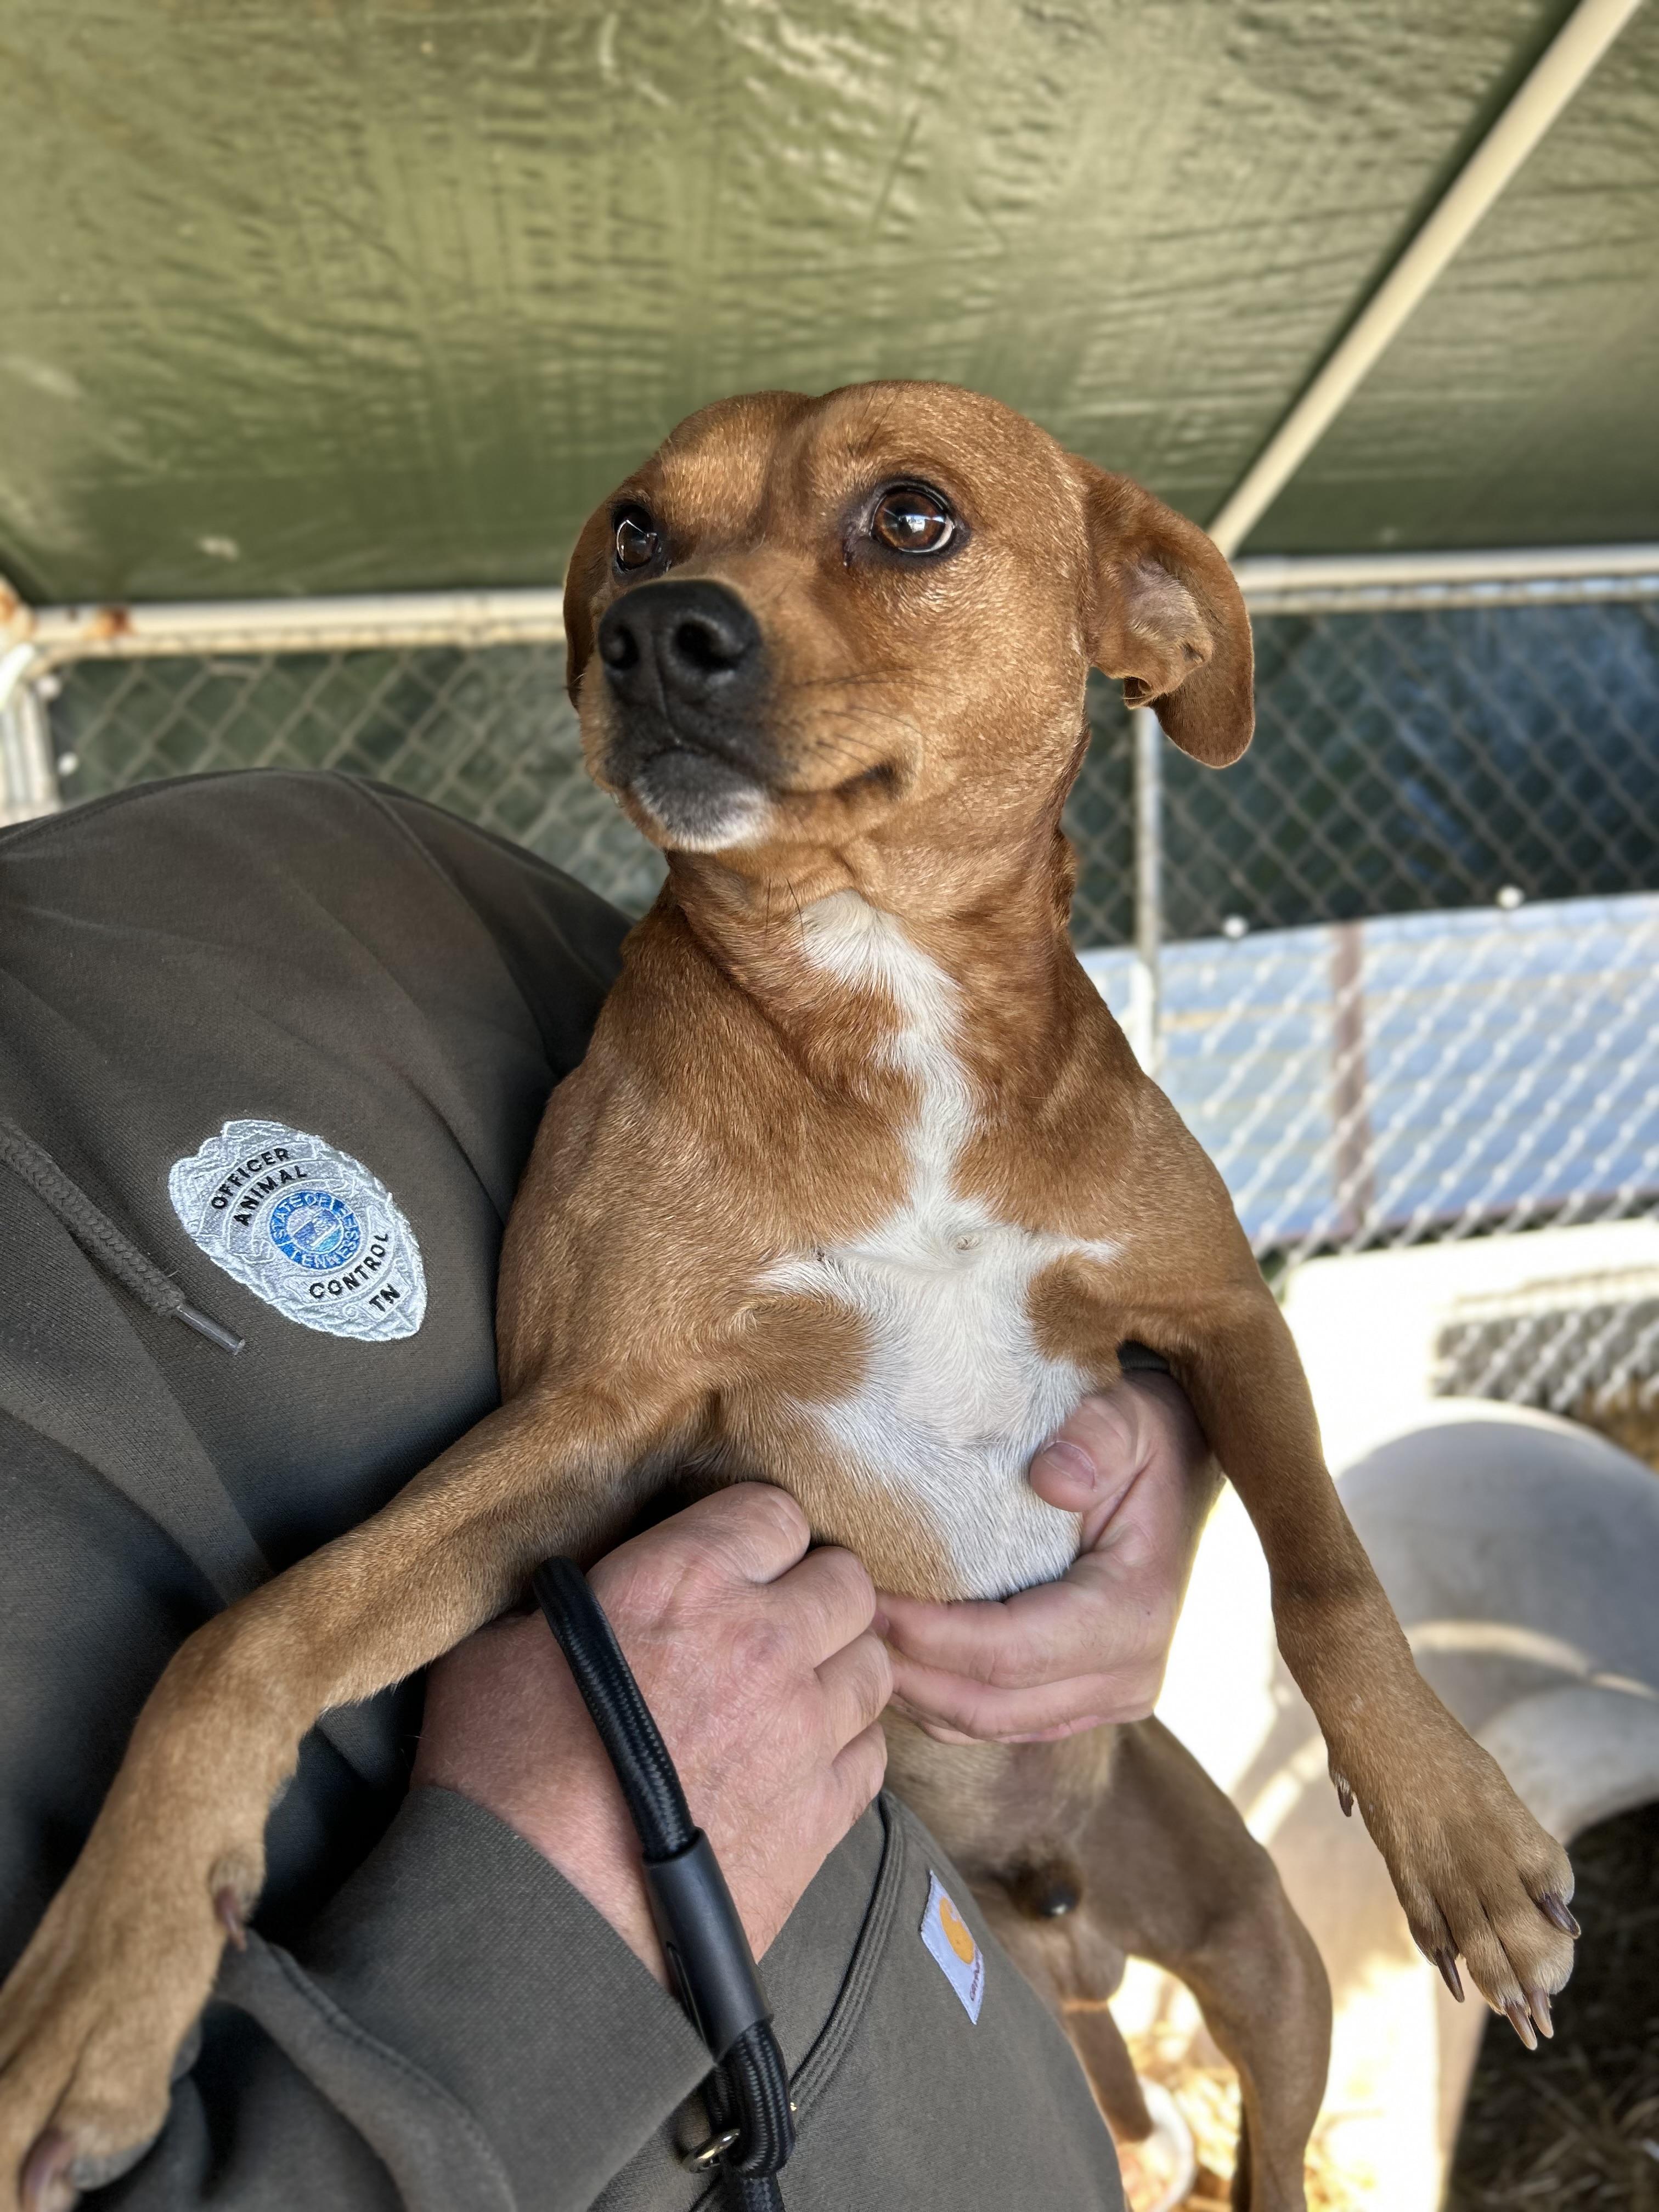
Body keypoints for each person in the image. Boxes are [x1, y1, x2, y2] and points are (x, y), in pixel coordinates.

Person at [0, 770, 1216, 2211]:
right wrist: (551, 1913)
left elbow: (967, 1164)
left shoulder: (296, 858)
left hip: (999, 2111)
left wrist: (1140, 1441)